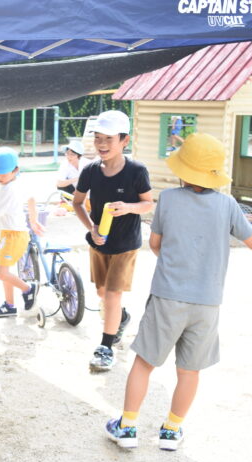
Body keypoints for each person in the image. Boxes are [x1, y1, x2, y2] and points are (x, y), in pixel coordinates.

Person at [105, 133, 252, 451]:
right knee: (189, 370)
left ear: (183, 170)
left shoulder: (170, 200)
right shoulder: (228, 204)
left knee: (145, 362)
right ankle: (171, 431)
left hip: (168, 297)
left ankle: (128, 427)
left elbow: (156, 244)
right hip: (207, 303)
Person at [72, 110, 154, 372]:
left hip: (125, 244)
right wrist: (92, 228)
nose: (102, 144)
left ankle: (106, 347)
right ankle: (122, 317)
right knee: (101, 293)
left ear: (124, 140)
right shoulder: (90, 170)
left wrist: (129, 207)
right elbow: (77, 203)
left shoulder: (136, 171)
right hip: (98, 242)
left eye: (109, 138)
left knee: (111, 294)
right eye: (97, 138)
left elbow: (147, 204)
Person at [0, 147, 44, 318]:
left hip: (13, 235)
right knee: (5, 271)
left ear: (15, 170)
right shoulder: (17, 183)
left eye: (3, 174)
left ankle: (28, 289)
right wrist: (33, 220)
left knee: (0, 272)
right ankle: (9, 305)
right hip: (11, 233)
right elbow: (31, 199)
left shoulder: (7, 189)